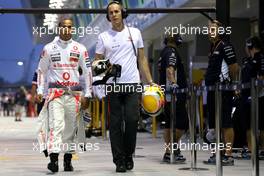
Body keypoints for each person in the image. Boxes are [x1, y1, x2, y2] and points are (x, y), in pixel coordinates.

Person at [94, 1, 155, 172]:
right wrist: (98, 84)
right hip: (113, 86)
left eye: (117, 11)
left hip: (132, 84)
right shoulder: (103, 37)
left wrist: (149, 81)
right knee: (114, 124)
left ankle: (129, 155)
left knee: (131, 120)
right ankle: (119, 160)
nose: (114, 14)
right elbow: (97, 61)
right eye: (111, 12)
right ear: (108, 16)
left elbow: (142, 59)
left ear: (123, 13)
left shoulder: (135, 33)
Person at [36, 17, 92, 173]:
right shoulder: (49, 48)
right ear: (58, 28)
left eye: (69, 27)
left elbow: (88, 72)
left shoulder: (80, 48)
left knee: (70, 128)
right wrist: (40, 91)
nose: (66, 30)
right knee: (56, 126)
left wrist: (88, 93)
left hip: (74, 94)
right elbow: (41, 71)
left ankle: (68, 161)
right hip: (55, 94)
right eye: (63, 27)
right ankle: (53, 161)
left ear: (72, 29)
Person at [203, 20, 239, 166]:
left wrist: (232, 84)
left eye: (212, 29)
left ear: (220, 31)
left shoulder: (225, 46)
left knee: (225, 123)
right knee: (214, 124)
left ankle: (228, 155)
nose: (209, 31)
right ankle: (218, 153)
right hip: (212, 92)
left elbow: (234, 67)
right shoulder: (212, 47)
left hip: (223, 91)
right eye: (208, 29)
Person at [158, 33, 188, 163]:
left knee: (169, 123)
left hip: (167, 94)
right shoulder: (171, 52)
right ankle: (173, 148)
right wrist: (174, 84)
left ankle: (169, 152)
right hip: (174, 95)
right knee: (182, 123)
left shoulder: (163, 52)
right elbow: (170, 70)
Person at [240, 36, 264, 159]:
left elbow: (261, 78)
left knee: (261, 123)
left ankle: (262, 148)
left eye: (246, 45)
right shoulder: (247, 60)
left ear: (250, 46)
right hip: (245, 95)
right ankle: (250, 148)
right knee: (248, 123)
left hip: (258, 95)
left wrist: (255, 93)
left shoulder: (261, 58)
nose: (245, 48)